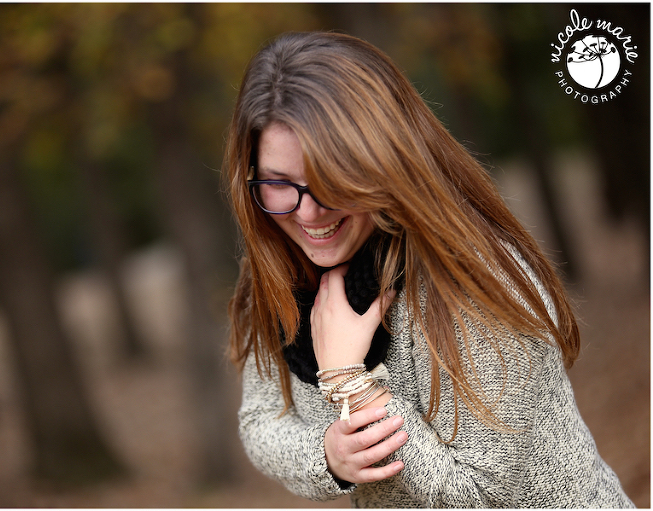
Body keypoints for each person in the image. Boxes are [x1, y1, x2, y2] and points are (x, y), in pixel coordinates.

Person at [222, 31, 634, 508]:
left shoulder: (475, 276)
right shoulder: (279, 268)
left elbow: (483, 496)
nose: (309, 214)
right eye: (278, 183)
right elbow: (260, 418)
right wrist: (329, 456)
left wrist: (350, 380)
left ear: (385, 160)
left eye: (333, 180)